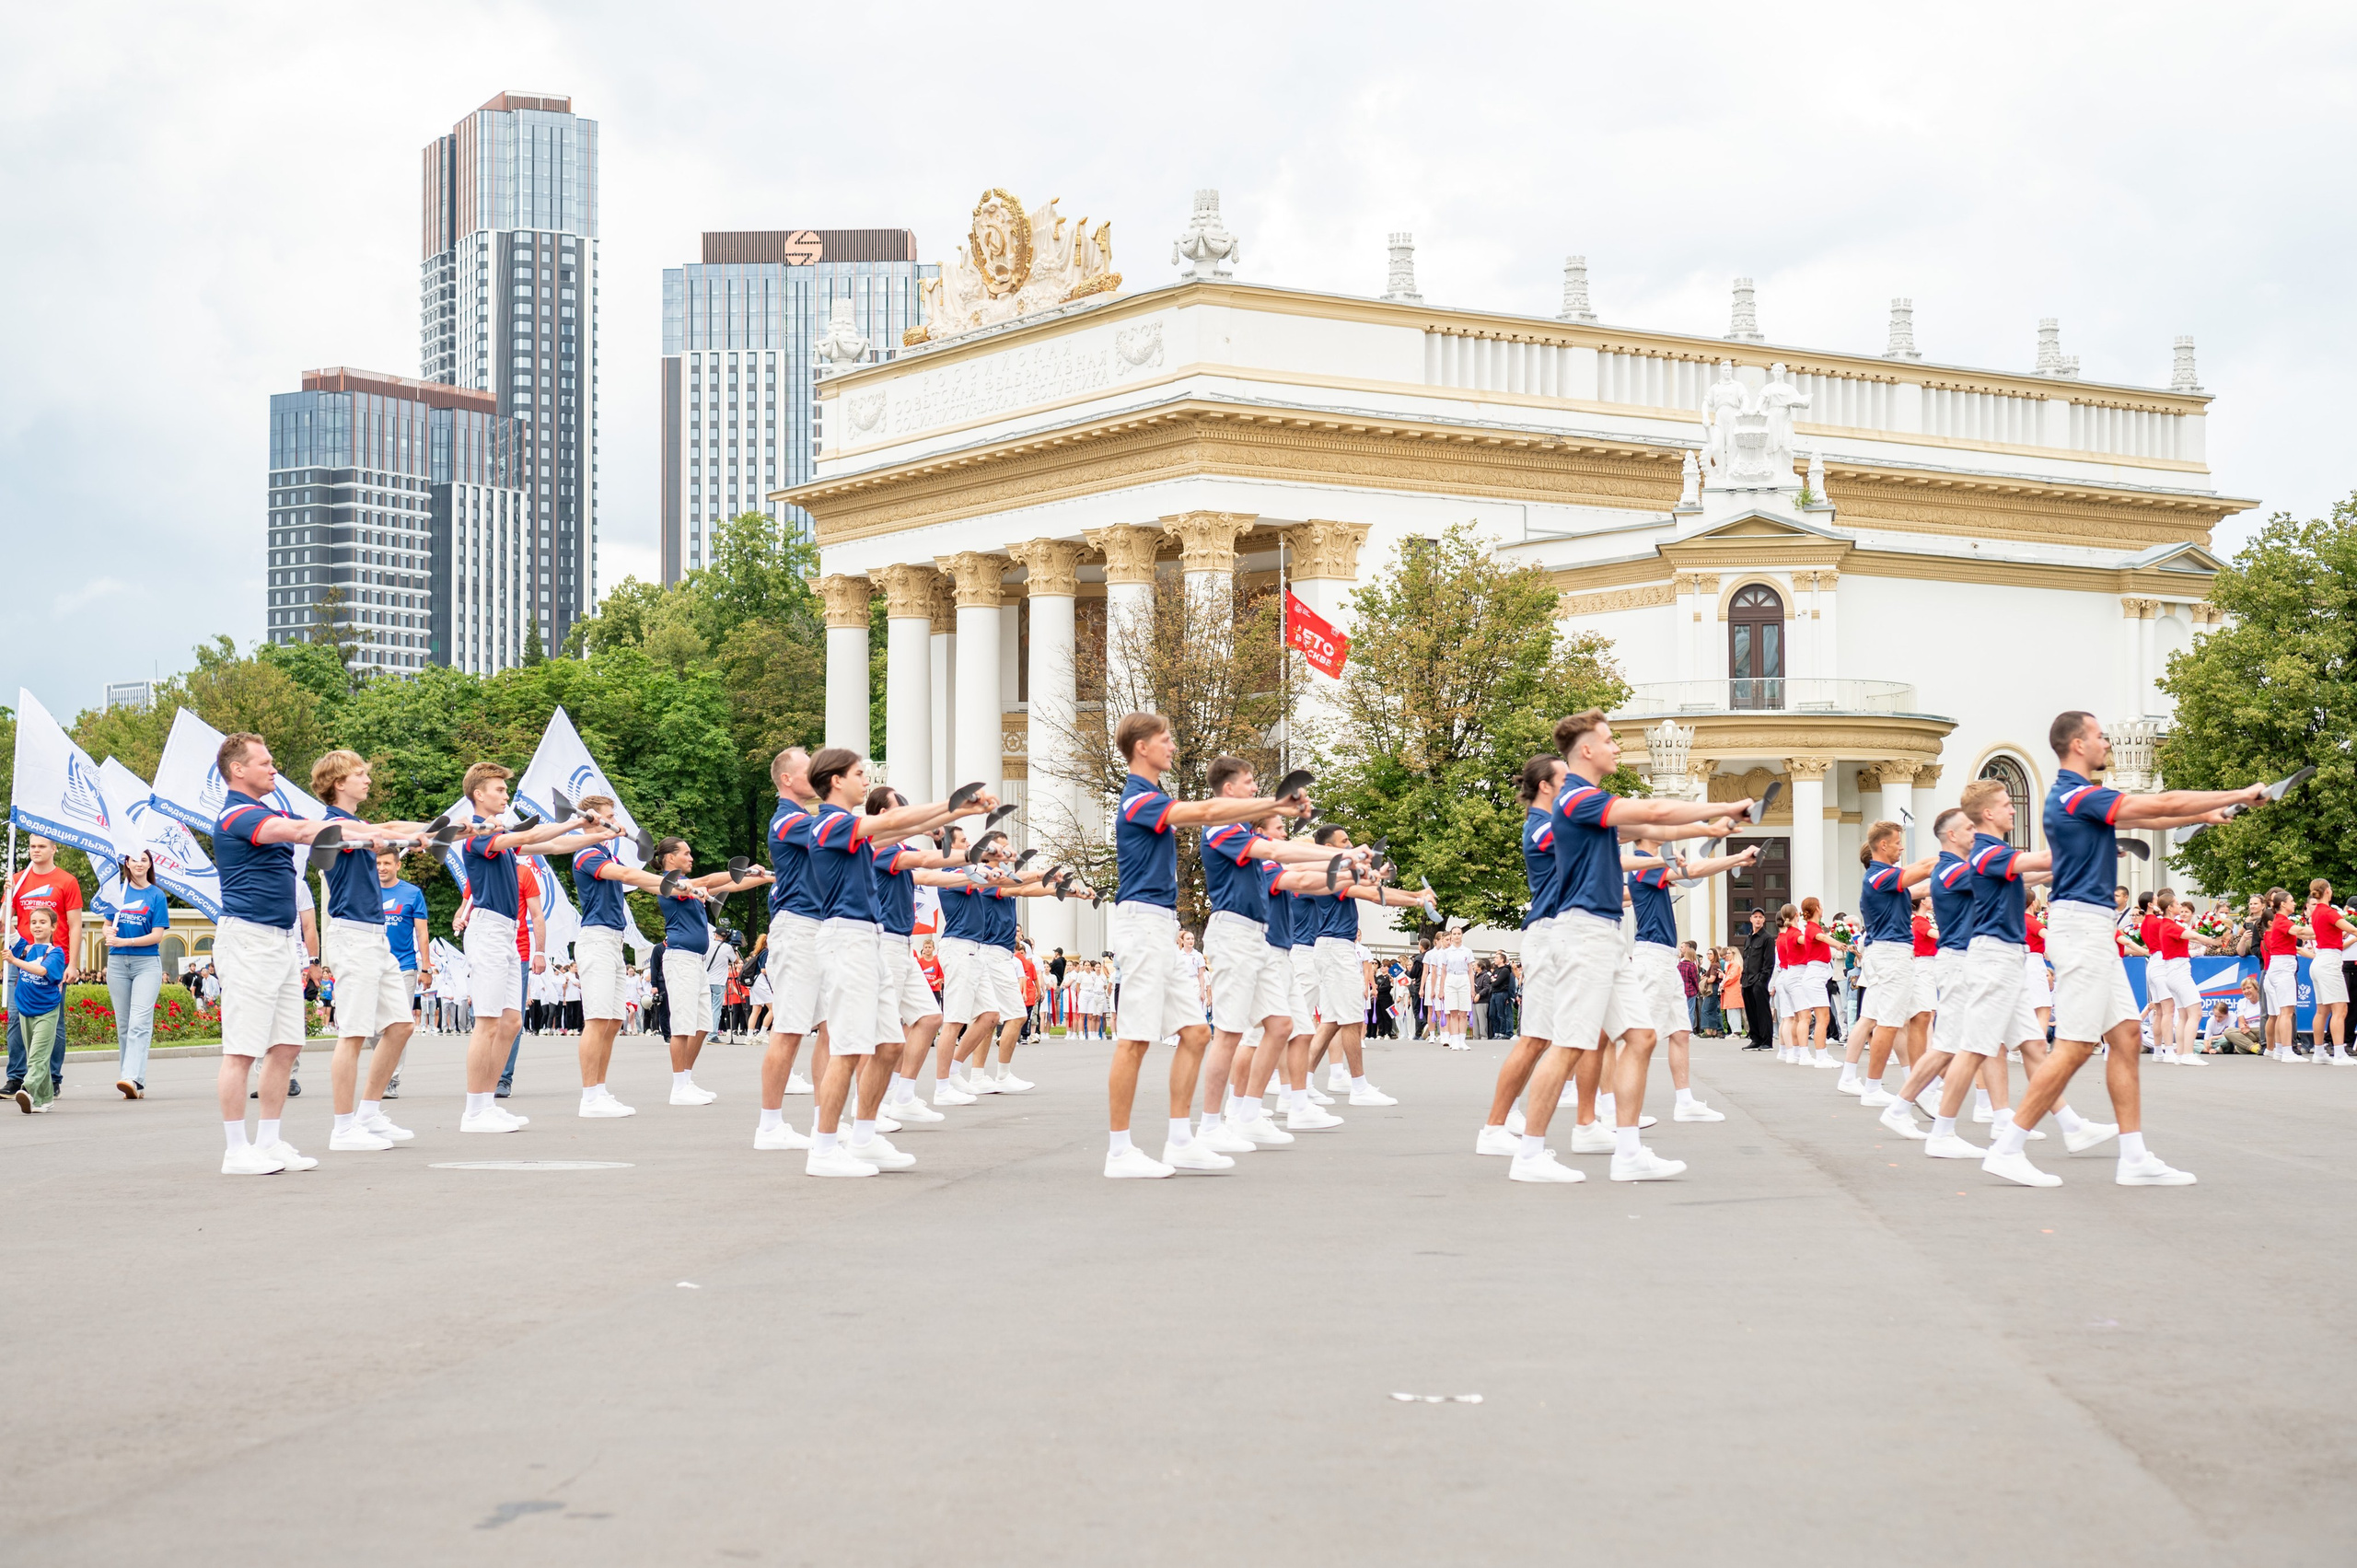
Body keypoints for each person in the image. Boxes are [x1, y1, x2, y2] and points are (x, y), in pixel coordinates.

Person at [1986, 712, 2260, 1188]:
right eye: (2098, 736)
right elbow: (2159, 802)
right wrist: (2238, 793)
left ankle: (2133, 1157)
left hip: (2090, 929)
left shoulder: (2079, 798)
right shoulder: (2077, 795)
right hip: (2081, 930)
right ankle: (2008, 1146)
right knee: (2073, 1046)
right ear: (2076, 744)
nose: (2107, 743)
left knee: (2128, 1035)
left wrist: (2204, 814)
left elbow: (2153, 812)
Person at [1513, 710, 1750, 1186]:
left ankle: (1628, 1153)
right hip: (1583, 936)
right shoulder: (1578, 798)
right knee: (1570, 1044)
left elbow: (1656, 832)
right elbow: (1655, 813)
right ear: (1586, 751)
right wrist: (1718, 808)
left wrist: (1711, 829)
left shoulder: (1587, 805)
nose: (1616, 748)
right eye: (1608, 740)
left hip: (1605, 936)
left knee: (1640, 1037)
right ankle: (1530, 1154)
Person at [1101, 711, 1308, 1179]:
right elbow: (1209, 811)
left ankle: (1180, 1140)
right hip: (1141, 925)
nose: (1172, 746)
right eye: (1166, 739)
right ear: (1142, 748)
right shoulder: (1136, 799)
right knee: (1134, 1040)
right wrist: (1273, 808)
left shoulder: (1154, 795)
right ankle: (1119, 1152)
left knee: (1196, 1034)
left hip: (1162, 926)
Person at [794, 748, 993, 1178]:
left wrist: (959, 819)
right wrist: (954, 803)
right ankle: (824, 1148)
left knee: (890, 1045)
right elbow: (891, 824)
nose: (865, 780)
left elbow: (907, 828)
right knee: (848, 1050)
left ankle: (864, 1138)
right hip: (847, 941)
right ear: (835, 781)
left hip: (871, 940)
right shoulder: (829, 822)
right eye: (858, 774)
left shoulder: (853, 829)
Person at [210, 731, 351, 1173]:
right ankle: (236, 1151)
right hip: (248, 940)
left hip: (280, 941)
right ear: (238, 770)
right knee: (241, 1051)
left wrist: (402, 834)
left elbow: (327, 827)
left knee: (287, 1045)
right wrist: (362, 836)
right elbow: (306, 831)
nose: (275, 770)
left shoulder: (268, 808)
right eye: (265, 763)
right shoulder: (238, 815)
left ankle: (268, 1142)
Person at [308, 750, 441, 1153]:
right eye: (359, 774)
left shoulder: (361, 825)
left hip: (376, 936)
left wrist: (437, 829)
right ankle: (343, 1128)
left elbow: (391, 826)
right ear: (338, 783)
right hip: (351, 936)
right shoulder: (333, 825)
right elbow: (369, 833)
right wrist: (389, 838)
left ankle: (368, 1113)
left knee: (400, 1026)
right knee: (353, 1034)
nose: (367, 779)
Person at [450, 761, 593, 1133]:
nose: (505, 795)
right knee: (487, 1023)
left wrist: (592, 833)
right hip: (487, 933)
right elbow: (523, 838)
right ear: (479, 794)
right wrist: (571, 822)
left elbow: (553, 844)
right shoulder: (475, 834)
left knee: (511, 1022)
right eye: (498, 789)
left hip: (508, 934)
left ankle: (487, 1104)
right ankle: (473, 1112)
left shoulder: (501, 839)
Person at [648, 838, 771, 1107]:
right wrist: (746, 870)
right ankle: (678, 1087)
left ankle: (687, 1081)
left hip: (696, 962)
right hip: (680, 960)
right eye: (686, 853)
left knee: (703, 1025)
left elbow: (730, 884)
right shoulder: (669, 884)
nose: (691, 857)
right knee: (682, 1027)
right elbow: (712, 878)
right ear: (670, 858)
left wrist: (768, 879)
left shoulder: (690, 887)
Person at [568, 794, 669, 1116]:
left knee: (612, 1021)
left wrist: (685, 889)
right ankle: (589, 1097)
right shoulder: (587, 852)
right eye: (612, 815)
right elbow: (628, 876)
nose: (619, 821)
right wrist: (671, 884)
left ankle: (599, 1090)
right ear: (594, 819)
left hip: (612, 942)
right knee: (597, 1020)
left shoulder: (604, 852)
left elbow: (642, 883)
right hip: (596, 940)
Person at [1839, 822, 1936, 1099]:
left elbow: (1923, 885)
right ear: (1883, 845)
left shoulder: (1889, 880)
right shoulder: (1880, 877)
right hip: (1890, 955)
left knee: (1917, 1015)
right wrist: (1959, 855)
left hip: (1894, 955)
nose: (1901, 847)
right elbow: (1926, 868)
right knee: (1888, 1023)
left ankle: (1916, 1083)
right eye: (1897, 843)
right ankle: (1873, 1086)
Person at [7, 834, 85, 1098]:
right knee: (17, 1019)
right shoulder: (17, 880)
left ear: (54, 848)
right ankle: (16, 1076)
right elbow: (6, 921)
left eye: (41, 846)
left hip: (53, 962)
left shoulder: (67, 881)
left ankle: (52, 1078)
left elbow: (75, 926)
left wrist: (72, 963)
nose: (36, 850)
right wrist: (8, 894)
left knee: (54, 1023)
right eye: (32, 846)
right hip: (21, 956)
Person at [104, 850, 171, 1098]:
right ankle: (132, 1081)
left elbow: (157, 935)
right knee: (123, 1024)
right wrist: (108, 934)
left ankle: (131, 1077)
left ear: (150, 863)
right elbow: (107, 924)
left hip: (146, 964)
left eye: (144, 859)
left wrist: (126, 942)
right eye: (134, 860)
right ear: (127, 863)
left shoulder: (156, 895)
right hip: (117, 965)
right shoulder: (117, 891)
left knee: (139, 1022)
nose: (139, 864)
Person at [7, 908, 68, 1113]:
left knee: (37, 1055)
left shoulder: (56, 953)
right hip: (26, 1009)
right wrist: (8, 893)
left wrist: (14, 961)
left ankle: (27, 1089)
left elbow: (42, 970)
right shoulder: (24, 948)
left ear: (53, 927)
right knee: (37, 1054)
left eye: (43, 922)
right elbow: (5, 921)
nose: (37, 926)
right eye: (33, 922)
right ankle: (44, 1099)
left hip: (47, 1011)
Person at [2307, 879, 2350, 1063]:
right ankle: (2339, 1053)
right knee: (2340, 1009)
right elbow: (2351, 928)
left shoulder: (2316, 912)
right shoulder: (2329, 911)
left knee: (2322, 1010)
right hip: (2330, 962)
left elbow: (2330, 932)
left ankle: (2319, 1052)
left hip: (2320, 959)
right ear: (2327, 891)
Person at [1737, 908, 1775, 1050]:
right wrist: (1742, 980)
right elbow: (1746, 960)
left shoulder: (1767, 938)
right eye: (1755, 917)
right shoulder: (1748, 938)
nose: (1758, 919)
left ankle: (1766, 1041)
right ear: (1751, 919)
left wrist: (1761, 980)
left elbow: (1769, 962)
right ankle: (1756, 1039)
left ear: (1764, 920)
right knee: (1751, 1011)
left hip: (1759, 981)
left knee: (1762, 1011)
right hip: (1747, 980)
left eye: (1760, 917)